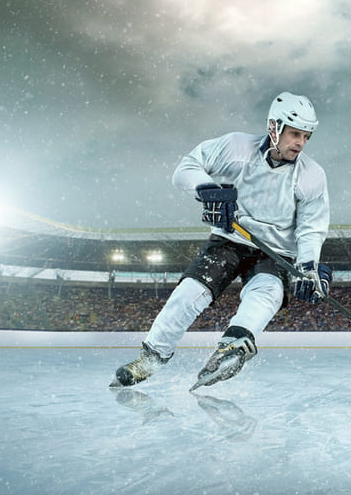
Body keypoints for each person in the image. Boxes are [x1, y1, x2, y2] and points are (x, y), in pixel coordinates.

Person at [112, 92, 332, 389]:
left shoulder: (312, 176)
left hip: (275, 252)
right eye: (294, 134)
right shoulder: (235, 147)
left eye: (306, 136)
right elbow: (186, 168)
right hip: (229, 240)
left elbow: (311, 227)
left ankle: (233, 345)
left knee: (266, 293)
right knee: (189, 293)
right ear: (273, 127)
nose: (300, 143)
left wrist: (308, 266)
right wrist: (207, 190)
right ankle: (150, 358)